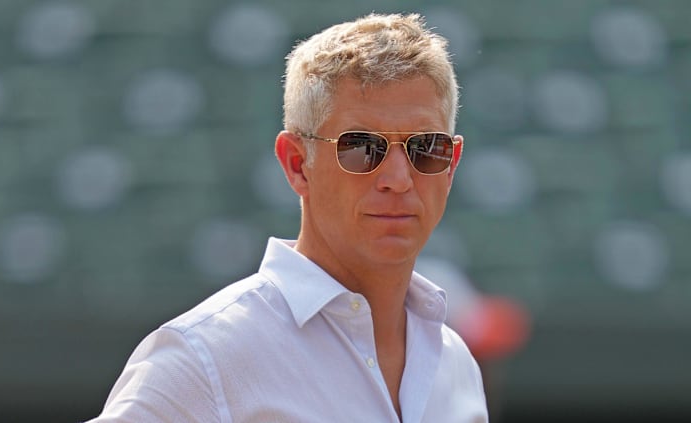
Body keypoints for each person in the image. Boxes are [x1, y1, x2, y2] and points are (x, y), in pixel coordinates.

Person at [88, 13, 488, 423]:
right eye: (362, 147)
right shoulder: (205, 357)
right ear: (298, 163)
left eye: (426, 148)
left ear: (452, 163)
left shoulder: (456, 366)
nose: (398, 179)